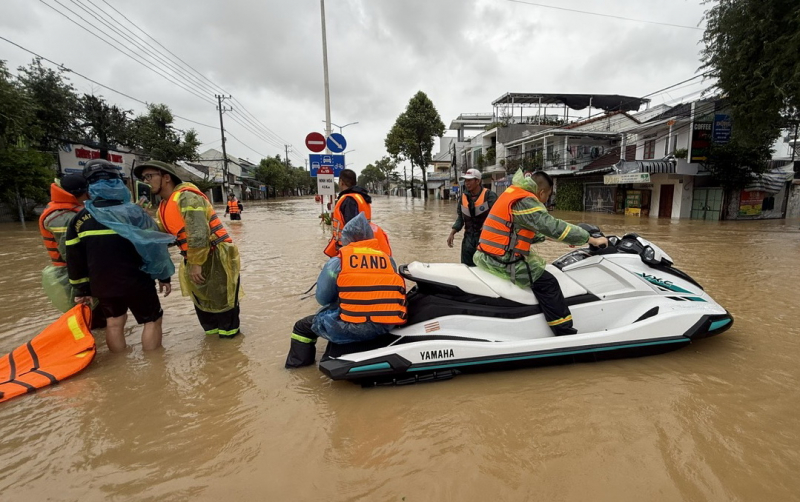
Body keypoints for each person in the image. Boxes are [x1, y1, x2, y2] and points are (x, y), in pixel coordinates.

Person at [474, 169, 608, 336]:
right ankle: (564, 332)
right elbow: (552, 226)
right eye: (548, 196)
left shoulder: (514, 192)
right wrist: (591, 239)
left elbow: (523, 231)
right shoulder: (527, 201)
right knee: (548, 283)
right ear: (542, 192)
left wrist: (565, 239)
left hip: (488, 254)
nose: (546, 200)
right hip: (503, 260)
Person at [66, 160, 174, 352]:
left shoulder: (78, 220)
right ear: (118, 183)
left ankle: (120, 363)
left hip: (102, 284)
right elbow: (155, 248)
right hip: (137, 281)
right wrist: (164, 276)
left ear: (90, 185)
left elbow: (75, 259)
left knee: (114, 323)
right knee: (152, 321)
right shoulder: (136, 214)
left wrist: (82, 290)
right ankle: (156, 367)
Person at [135, 160, 242, 339]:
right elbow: (164, 237)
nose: (145, 181)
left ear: (166, 177)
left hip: (214, 256)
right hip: (193, 258)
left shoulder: (187, 197)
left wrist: (196, 263)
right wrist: (143, 217)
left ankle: (230, 350)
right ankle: (214, 353)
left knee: (223, 306)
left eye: (149, 176)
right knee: (204, 307)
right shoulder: (163, 205)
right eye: (142, 178)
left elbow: (198, 232)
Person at [285, 213, 407, 368]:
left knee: (302, 327)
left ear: (346, 238)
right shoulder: (388, 260)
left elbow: (323, 298)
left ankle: (297, 369)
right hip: (385, 325)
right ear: (370, 237)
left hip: (353, 327)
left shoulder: (338, 262)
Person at [39, 175, 90, 313]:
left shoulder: (69, 210)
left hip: (77, 271)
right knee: (84, 314)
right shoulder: (62, 217)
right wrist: (82, 288)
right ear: (84, 192)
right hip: (71, 274)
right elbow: (70, 254)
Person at [447, 168, 497, 266]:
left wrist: (487, 225)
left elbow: (496, 216)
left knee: (484, 269)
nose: (466, 183)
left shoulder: (490, 196)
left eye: (469, 180)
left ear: (477, 181)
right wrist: (452, 233)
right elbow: (460, 218)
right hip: (468, 240)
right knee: (466, 269)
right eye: (465, 180)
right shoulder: (463, 197)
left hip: (485, 240)